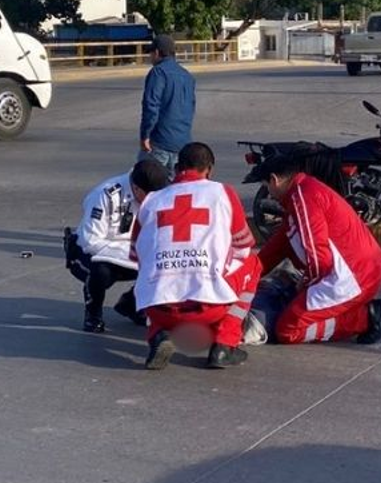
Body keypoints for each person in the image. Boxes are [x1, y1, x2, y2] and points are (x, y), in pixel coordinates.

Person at [131, 142, 261, 371]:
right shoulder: (222, 192)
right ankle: (225, 344)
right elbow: (244, 244)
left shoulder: (151, 201)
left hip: (159, 309)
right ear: (209, 170)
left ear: (177, 168)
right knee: (253, 263)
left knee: (151, 271)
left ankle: (158, 334)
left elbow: (136, 255)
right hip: (208, 309)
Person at [249, 152, 381, 346]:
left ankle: (363, 318)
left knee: (287, 330)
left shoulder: (303, 198)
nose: (268, 193)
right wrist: (245, 277)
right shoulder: (304, 191)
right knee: (296, 304)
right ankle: (343, 310)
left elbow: (317, 254)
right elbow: (277, 248)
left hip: (353, 279)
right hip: (361, 272)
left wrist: (306, 285)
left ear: (274, 180)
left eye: (266, 186)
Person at [64, 160, 172, 333]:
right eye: (151, 196)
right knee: (101, 272)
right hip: (93, 253)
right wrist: (133, 254)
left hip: (134, 253)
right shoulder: (106, 195)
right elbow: (90, 241)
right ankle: (93, 314)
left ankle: (131, 304)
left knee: (168, 264)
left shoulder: (159, 196)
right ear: (136, 188)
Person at [139, 34, 197, 173]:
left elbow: (151, 106)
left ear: (157, 52)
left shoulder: (158, 72)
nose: (150, 57)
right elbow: (191, 107)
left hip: (160, 141)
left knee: (145, 180)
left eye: (151, 53)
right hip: (182, 142)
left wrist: (145, 135)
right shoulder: (187, 76)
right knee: (175, 183)